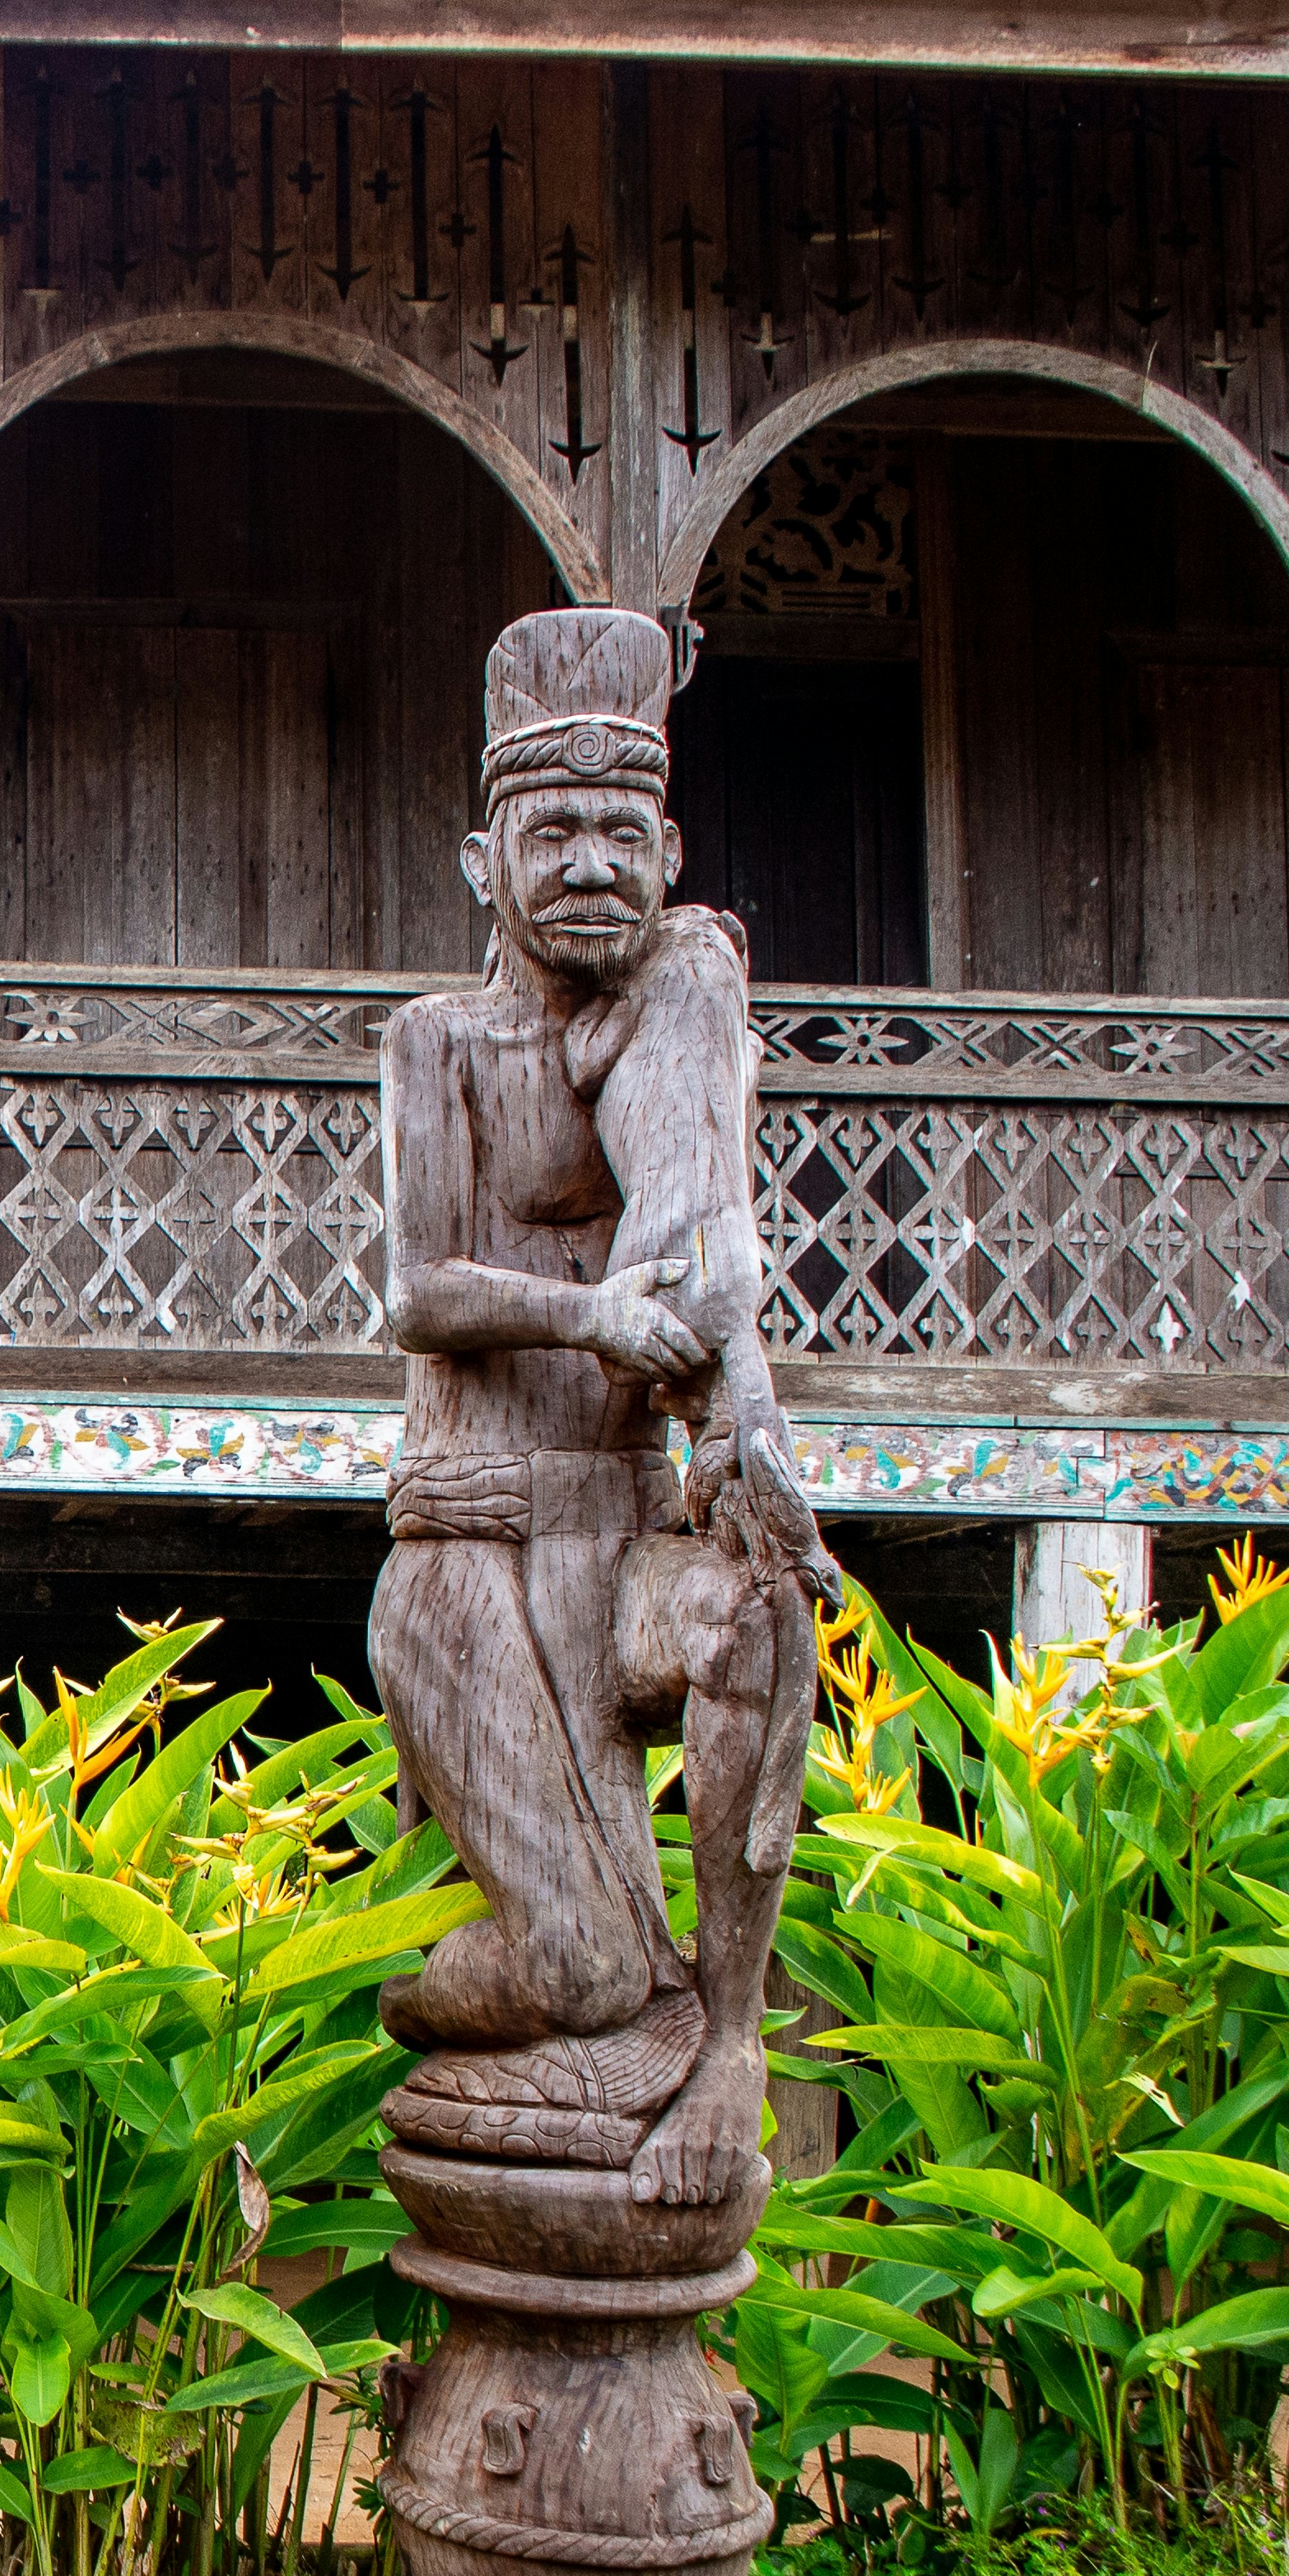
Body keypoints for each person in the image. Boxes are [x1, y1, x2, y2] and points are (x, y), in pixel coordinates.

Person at [367, 605, 840, 2215]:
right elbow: (420, 1289)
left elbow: (704, 1238)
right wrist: (588, 1313)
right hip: (470, 1557)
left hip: (616, 1538)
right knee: (572, 1974)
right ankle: (371, 1980)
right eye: (548, 831)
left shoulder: (670, 1007)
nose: (587, 867)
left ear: (669, 848)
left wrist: (743, 1424)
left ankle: (721, 2038)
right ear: (478, 861)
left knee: (758, 1627)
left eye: (620, 836)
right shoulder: (436, 1041)